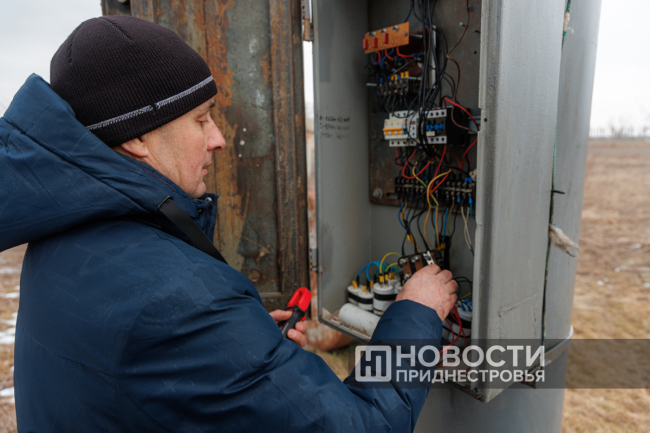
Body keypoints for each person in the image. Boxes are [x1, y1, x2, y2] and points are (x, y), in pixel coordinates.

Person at [0, 16, 457, 432]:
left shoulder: (56, 243)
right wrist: (416, 313)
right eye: (201, 119)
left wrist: (243, 349)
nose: (218, 138)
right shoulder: (182, 303)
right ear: (138, 137)